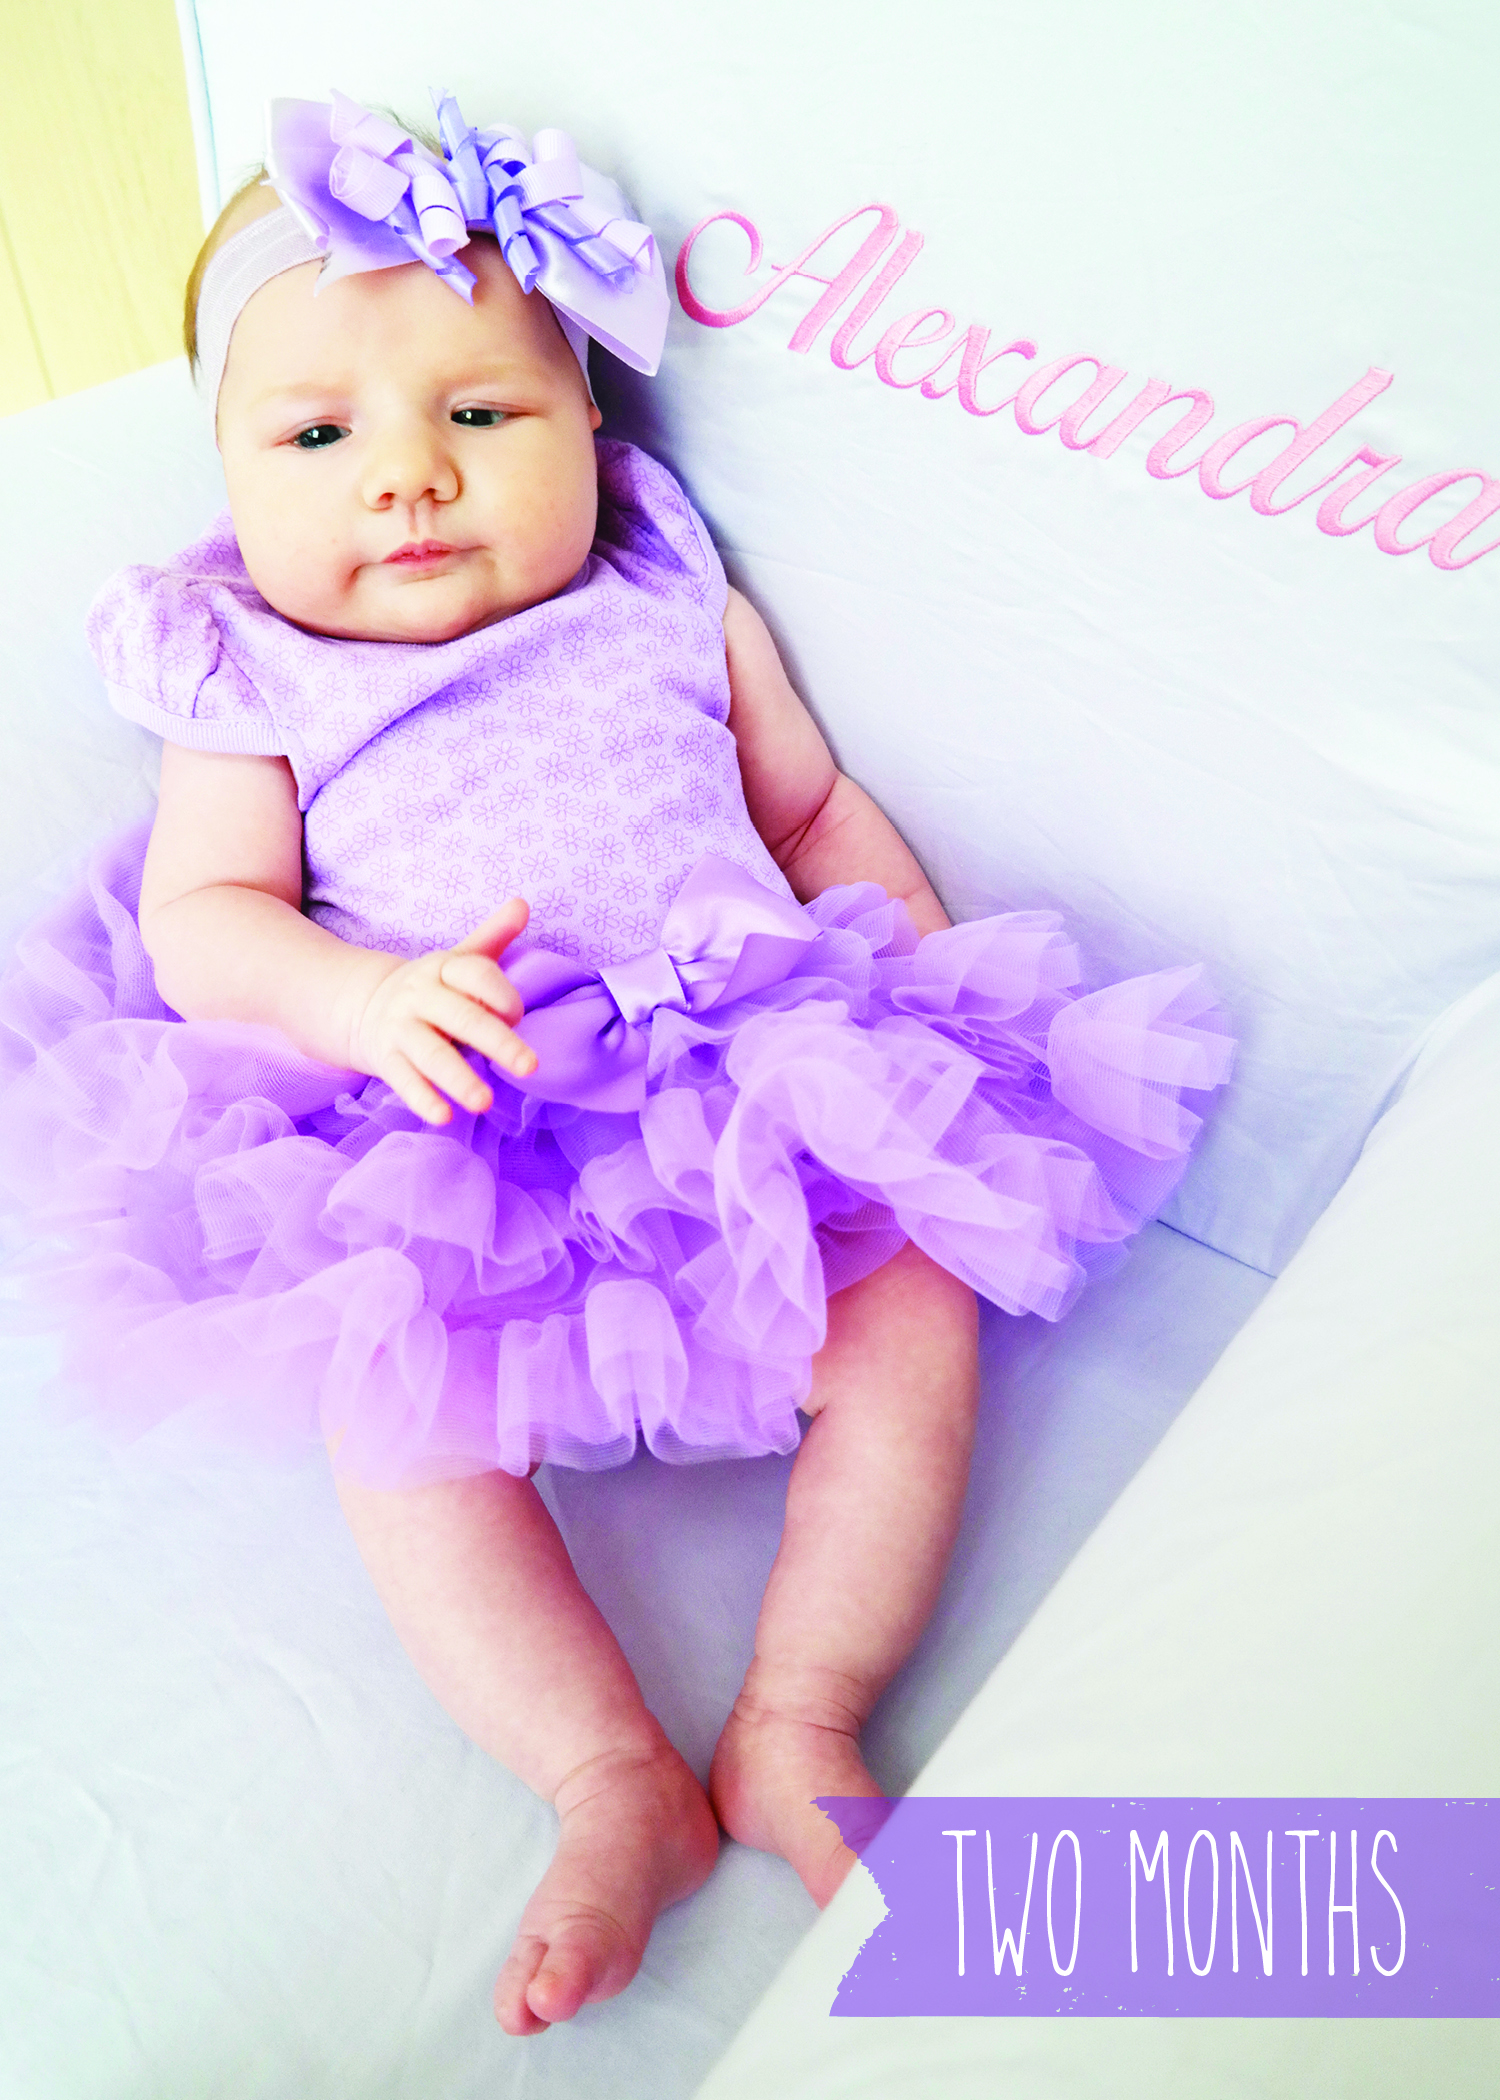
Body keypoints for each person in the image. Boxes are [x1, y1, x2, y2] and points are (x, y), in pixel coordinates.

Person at [0, 92, 1233, 2037]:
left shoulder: (661, 585)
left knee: (914, 1313)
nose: (409, 478)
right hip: (448, 1114)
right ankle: (602, 1774)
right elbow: (205, 918)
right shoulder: (243, 663)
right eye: (318, 438)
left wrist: (917, 998)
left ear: (589, 422)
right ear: (227, 469)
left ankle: (801, 1709)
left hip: (744, 1073)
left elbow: (807, 810)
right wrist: (359, 1003)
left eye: (481, 413)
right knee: (401, 1421)